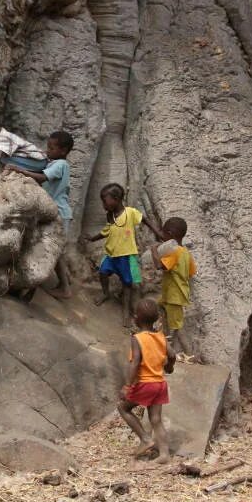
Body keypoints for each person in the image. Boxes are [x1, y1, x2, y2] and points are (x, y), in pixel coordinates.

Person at [88, 183, 164, 320]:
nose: (103, 205)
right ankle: (106, 293)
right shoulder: (110, 216)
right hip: (111, 255)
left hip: (125, 256)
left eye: (104, 201)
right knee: (103, 272)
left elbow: (144, 219)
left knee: (127, 283)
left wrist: (157, 231)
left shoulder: (130, 212)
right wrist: (93, 239)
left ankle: (126, 311)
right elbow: (106, 231)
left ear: (116, 199)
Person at [13, 130, 74, 297]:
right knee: (51, 249)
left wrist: (22, 171)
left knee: (51, 250)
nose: (48, 151)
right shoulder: (54, 163)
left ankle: (63, 287)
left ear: (63, 151)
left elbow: (41, 178)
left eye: (51, 148)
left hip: (58, 212)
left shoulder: (60, 165)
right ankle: (63, 281)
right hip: (53, 211)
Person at [117, 298, 172, 463]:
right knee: (156, 419)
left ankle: (146, 439)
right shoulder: (161, 337)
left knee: (123, 408)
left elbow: (135, 362)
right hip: (160, 384)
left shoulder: (137, 338)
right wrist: (170, 368)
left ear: (136, 318)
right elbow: (173, 355)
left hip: (145, 383)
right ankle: (164, 455)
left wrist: (127, 385)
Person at [153, 217, 196, 361]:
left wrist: (154, 250)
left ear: (170, 234)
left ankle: (183, 353)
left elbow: (159, 266)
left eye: (164, 234)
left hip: (174, 295)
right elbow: (191, 272)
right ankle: (161, 339)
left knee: (176, 325)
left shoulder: (175, 252)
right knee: (161, 311)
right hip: (173, 293)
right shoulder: (186, 253)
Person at [0, 109, 47, 177]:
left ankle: (10, 168)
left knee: (3, 158)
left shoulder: (4, 136)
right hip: (34, 162)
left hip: (39, 162)